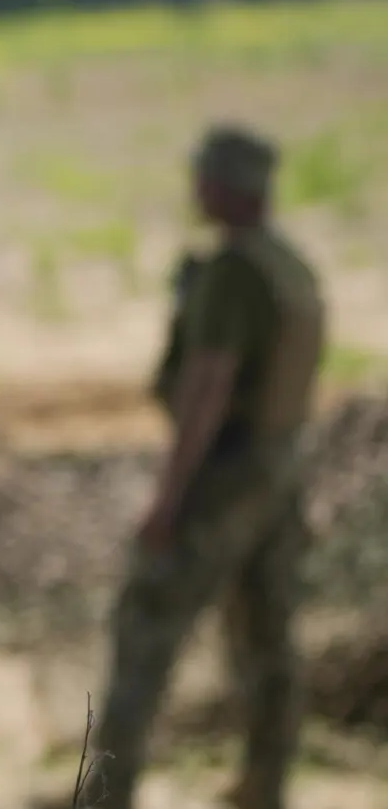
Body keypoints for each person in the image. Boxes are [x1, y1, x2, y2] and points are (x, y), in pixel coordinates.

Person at [63, 123, 324, 809]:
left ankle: (105, 796)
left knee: (145, 630)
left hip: (226, 473)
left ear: (225, 188)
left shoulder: (235, 271)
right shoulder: (287, 263)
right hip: (278, 470)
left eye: (204, 177)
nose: (195, 189)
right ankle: (265, 784)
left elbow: (208, 385)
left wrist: (168, 498)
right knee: (268, 635)